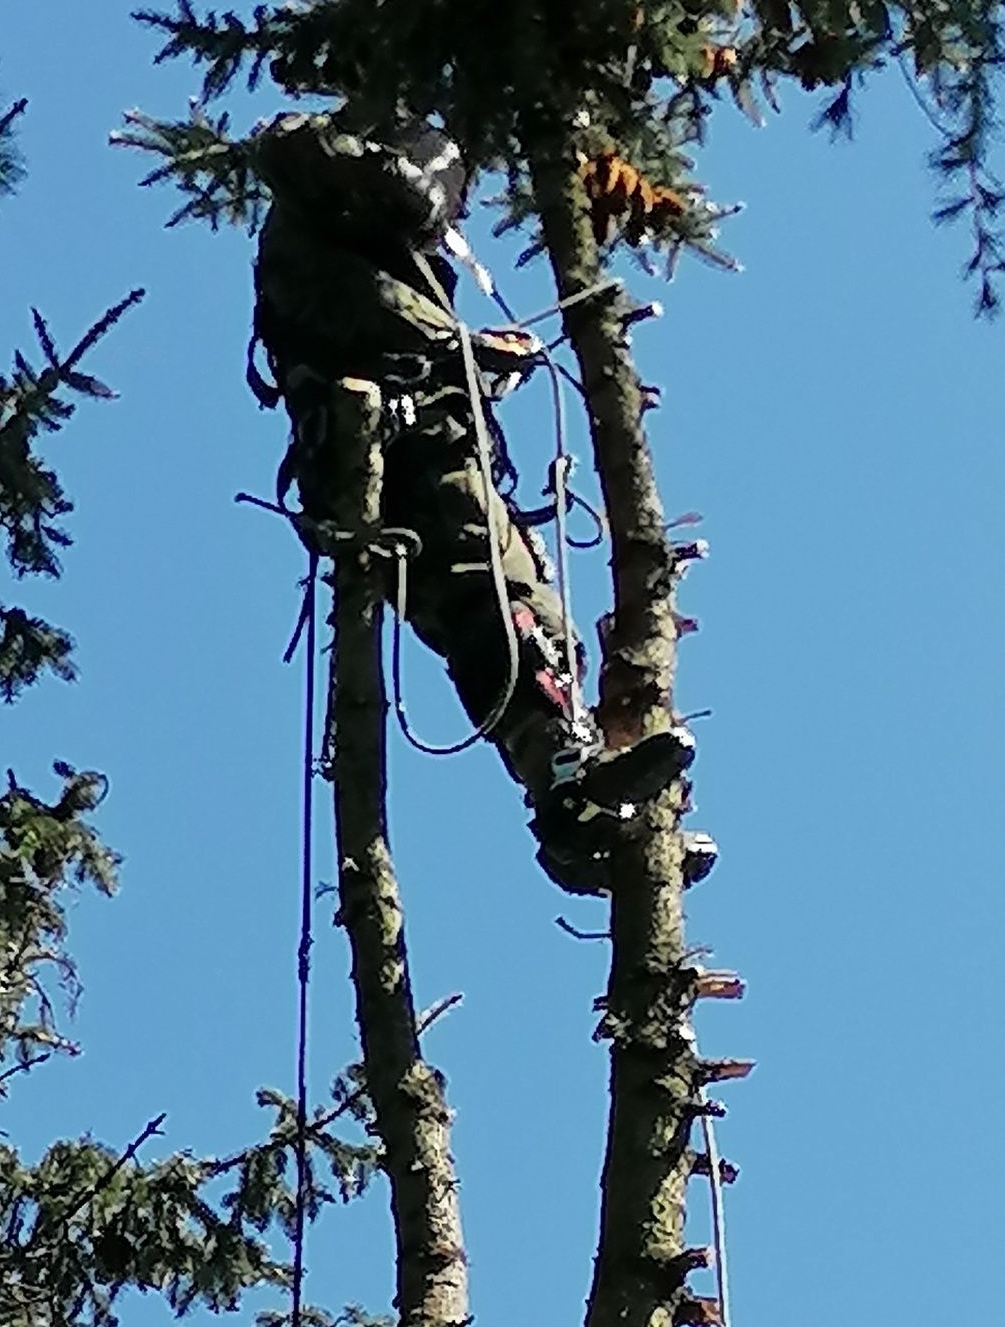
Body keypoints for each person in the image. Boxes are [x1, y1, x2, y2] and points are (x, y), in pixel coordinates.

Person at [249, 110, 714, 895]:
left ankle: (583, 797)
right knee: (489, 608)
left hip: (437, 459)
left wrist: (479, 362)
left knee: (538, 616)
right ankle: (568, 787)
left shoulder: (377, 251)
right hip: (390, 469)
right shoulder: (311, 223)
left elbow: (408, 327)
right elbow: (365, 317)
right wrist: (461, 350)